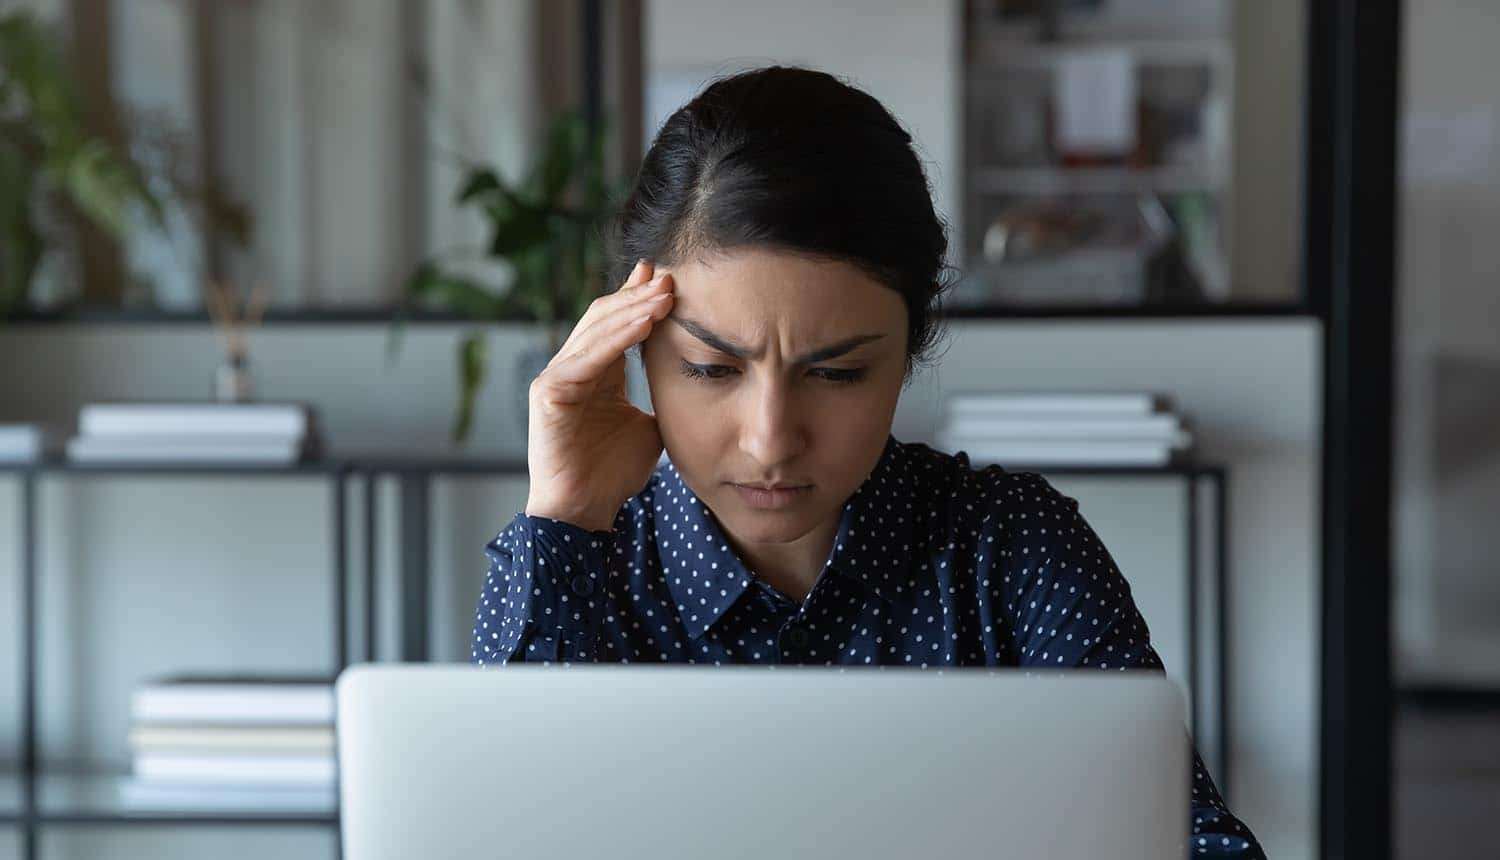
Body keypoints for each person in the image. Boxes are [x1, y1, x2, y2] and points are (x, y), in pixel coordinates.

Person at [471, 65, 1263, 858]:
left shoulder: (1011, 551)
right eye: (712, 371)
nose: (771, 439)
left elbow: (1191, 842)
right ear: (635, 344)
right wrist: (565, 515)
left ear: (909, 351)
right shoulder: (582, 560)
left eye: (838, 373)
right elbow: (493, 836)